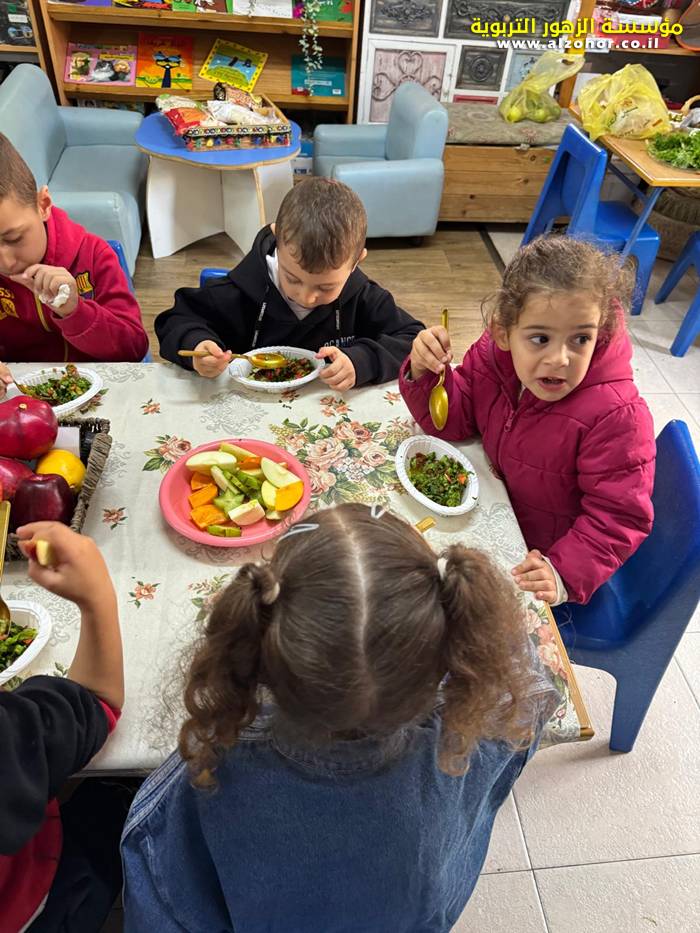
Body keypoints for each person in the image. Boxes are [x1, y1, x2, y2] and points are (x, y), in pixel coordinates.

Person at [121, 503, 560, 932]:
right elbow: (531, 690)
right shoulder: (488, 711)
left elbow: (159, 891)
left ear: (262, 647)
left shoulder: (213, 768)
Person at [401, 235, 656, 606]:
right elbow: (456, 420)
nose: (560, 359)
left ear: (600, 331)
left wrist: (562, 571)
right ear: (503, 332)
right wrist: (426, 375)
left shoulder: (617, 417)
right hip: (496, 512)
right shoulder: (493, 355)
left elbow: (619, 517)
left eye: (580, 339)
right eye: (540, 338)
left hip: (544, 559)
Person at [155, 177, 424, 391]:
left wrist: (362, 360)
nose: (306, 297)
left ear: (356, 263)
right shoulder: (235, 293)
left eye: (325, 287)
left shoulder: (364, 298)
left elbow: (412, 339)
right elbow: (175, 320)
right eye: (293, 278)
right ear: (277, 239)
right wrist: (198, 346)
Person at [0, 522, 126, 932]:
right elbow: (96, 702)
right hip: (41, 898)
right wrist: (96, 597)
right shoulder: (13, 742)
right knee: (120, 800)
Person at [0, 132, 149, 396]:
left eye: (14, 238)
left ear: (43, 204)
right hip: (19, 399)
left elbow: (133, 349)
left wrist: (75, 311)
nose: (6, 261)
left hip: (99, 392)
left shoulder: (94, 255)